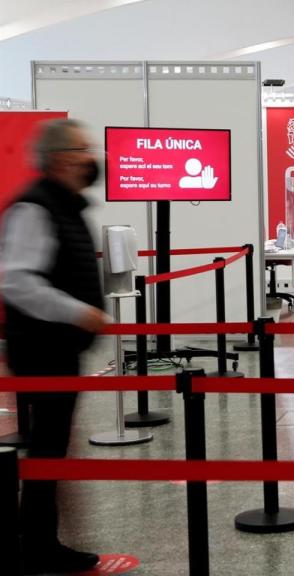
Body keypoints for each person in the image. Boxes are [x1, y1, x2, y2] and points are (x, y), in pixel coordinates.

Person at [1, 118, 109, 574]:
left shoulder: (64, 205)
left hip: (59, 348)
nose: (92, 158)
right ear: (62, 158)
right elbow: (16, 279)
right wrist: (76, 312)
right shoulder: (35, 207)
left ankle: (40, 540)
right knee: (47, 450)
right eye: (84, 150)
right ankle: (37, 546)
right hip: (42, 348)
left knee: (52, 448)